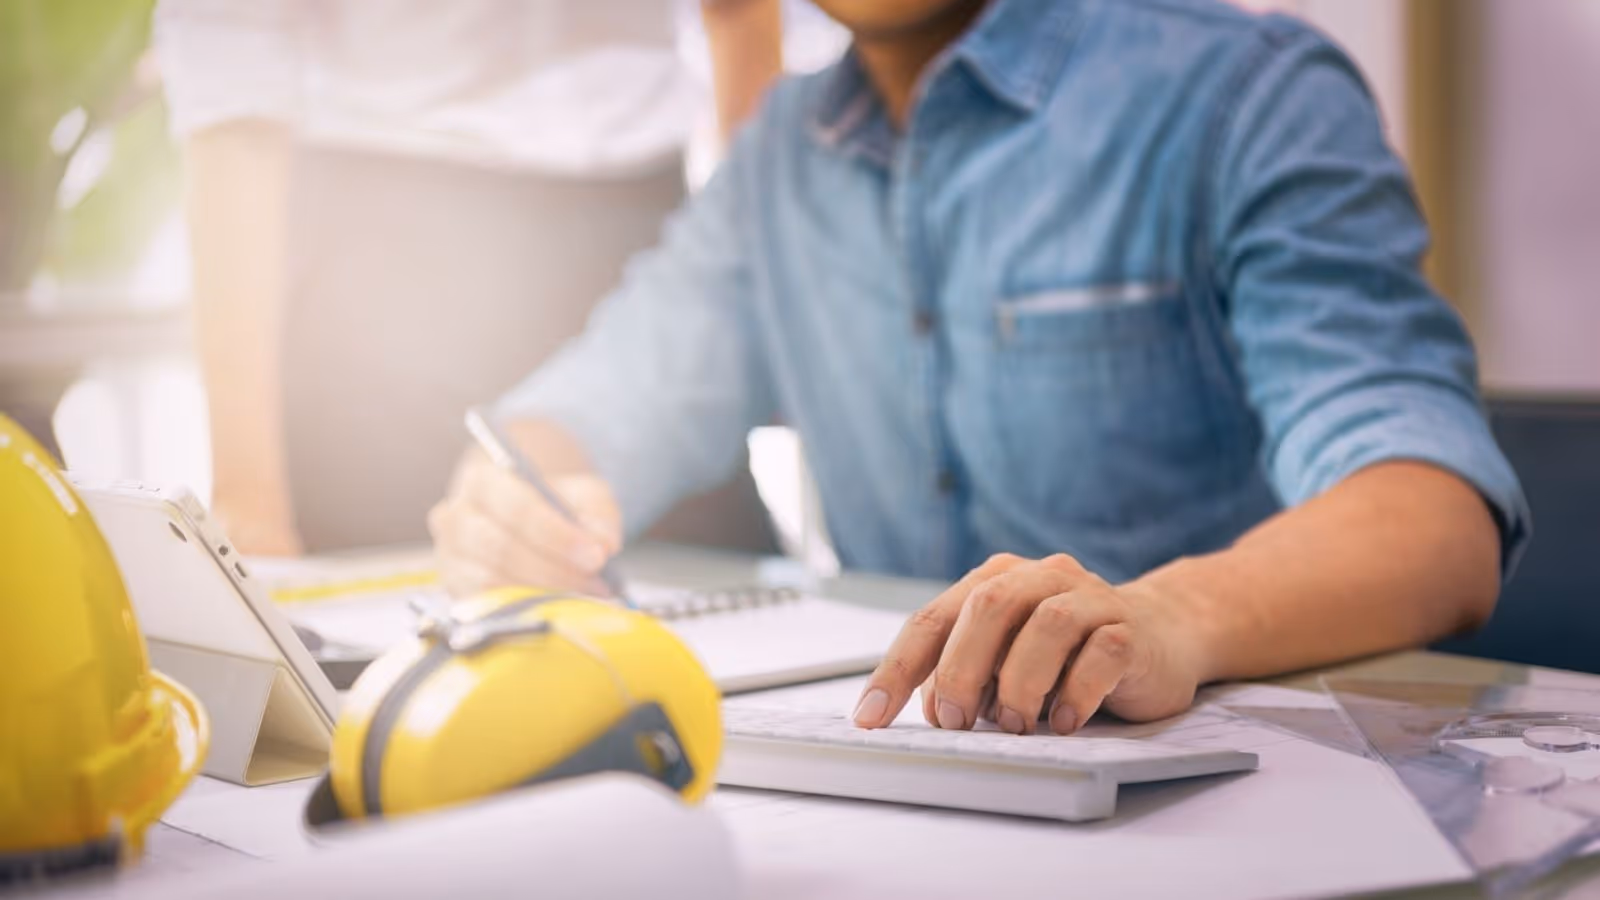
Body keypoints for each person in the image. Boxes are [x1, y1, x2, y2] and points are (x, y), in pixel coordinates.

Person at [428, 0, 1530, 735]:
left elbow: (1434, 521)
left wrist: (1168, 618)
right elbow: (596, 404)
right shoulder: (779, 160)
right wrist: (524, 499)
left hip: (1220, 803)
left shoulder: (1243, 91)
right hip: (913, 806)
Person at [157, 0, 790, 556]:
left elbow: (739, 12)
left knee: (717, 620)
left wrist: (759, 275)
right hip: (386, 264)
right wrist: (249, 500)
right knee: (394, 641)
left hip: (644, 235)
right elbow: (230, 73)